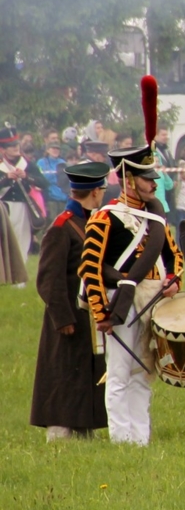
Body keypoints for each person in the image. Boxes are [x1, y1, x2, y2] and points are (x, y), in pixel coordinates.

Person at [80, 81, 183, 446]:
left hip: (153, 298)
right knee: (120, 373)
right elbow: (90, 268)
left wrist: (174, 280)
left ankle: (141, 438)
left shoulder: (156, 218)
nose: (153, 185)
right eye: (146, 178)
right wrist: (101, 311)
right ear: (127, 178)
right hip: (119, 302)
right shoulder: (106, 217)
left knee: (144, 371)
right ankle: (122, 440)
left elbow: (174, 256)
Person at [29, 161, 111, 440]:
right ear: (95, 193)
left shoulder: (90, 222)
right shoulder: (62, 227)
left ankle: (83, 428)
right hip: (67, 317)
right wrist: (62, 318)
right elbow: (49, 281)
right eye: (101, 189)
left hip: (88, 315)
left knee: (85, 375)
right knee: (63, 375)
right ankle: (59, 432)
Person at [0, 124, 47, 261]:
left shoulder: (26, 164)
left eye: (16, 144)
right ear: (3, 149)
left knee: (22, 239)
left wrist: (26, 176)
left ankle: (19, 280)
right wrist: (6, 178)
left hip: (22, 206)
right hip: (3, 206)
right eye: (11, 145)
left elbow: (43, 182)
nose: (15, 147)